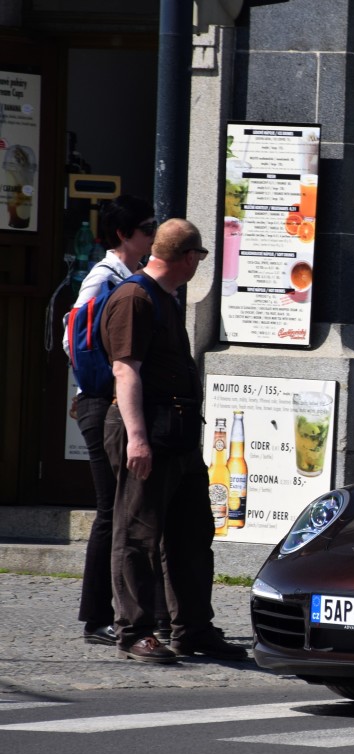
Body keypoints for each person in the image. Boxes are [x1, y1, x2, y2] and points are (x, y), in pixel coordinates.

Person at [101, 219, 246, 663]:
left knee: (191, 535)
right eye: (199, 257)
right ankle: (135, 631)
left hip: (177, 433)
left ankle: (193, 628)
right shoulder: (134, 298)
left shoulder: (163, 298)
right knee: (138, 535)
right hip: (146, 431)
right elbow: (125, 370)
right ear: (188, 258)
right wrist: (138, 440)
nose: (199, 265)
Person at [62, 196, 170, 646]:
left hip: (115, 402)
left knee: (126, 509)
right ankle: (96, 617)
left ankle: (143, 610)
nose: (152, 234)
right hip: (100, 401)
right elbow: (75, 338)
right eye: (147, 228)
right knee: (111, 511)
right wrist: (110, 377)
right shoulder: (104, 278)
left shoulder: (133, 279)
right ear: (125, 234)